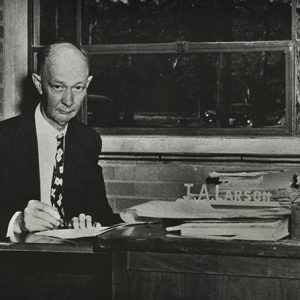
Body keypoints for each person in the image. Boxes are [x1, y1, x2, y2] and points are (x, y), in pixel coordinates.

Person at [0, 42, 122, 239]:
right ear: (39, 84)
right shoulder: (5, 138)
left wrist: (90, 222)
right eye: (58, 87)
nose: (69, 100)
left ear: (88, 84)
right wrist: (18, 222)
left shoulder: (88, 141)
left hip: (72, 261)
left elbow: (101, 213)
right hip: (16, 262)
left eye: (78, 87)